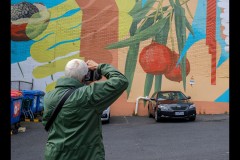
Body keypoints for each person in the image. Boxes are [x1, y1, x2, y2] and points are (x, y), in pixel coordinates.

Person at [42, 59, 129, 160]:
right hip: (86, 155)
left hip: (55, 154)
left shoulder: (49, 96)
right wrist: (99, 66)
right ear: (85, 77)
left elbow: (46, 123)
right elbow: (121, 80)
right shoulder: (89, 95)